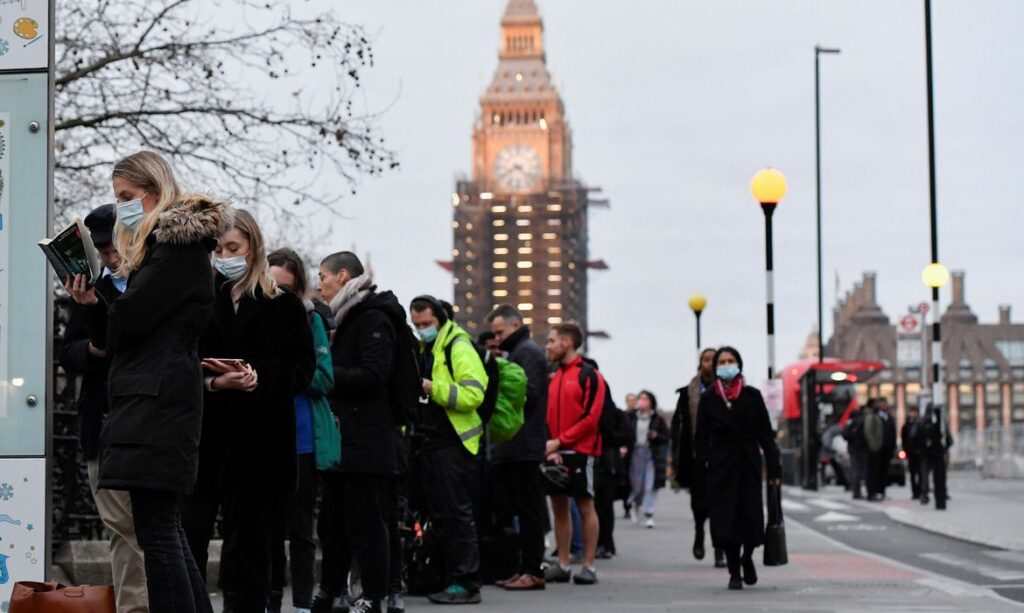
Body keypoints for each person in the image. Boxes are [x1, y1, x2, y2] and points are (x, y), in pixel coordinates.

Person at [93, 151, 230, 612]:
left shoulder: (177, 249)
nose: (123, 207)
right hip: (153, 396)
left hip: (157, 400)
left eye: (128, 197)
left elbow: (130, 319)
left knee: (159, 532)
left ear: (154, 191)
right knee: (163, 528)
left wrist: (107, 289)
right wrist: (96, 300)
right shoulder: (165, 251)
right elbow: (115, 334)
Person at [180, 209, 316, 612]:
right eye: (218, 248)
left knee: (251, 554)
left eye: (233, 247)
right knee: (189, 541)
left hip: (262, 445)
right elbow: (183, 360)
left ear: (253, 247)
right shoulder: (200, 299)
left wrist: (257, 378)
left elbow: (302, 370)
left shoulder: (285, 306)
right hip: (206, 442)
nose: (224, 255)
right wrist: (215, 381)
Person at [61, 203, 148, 613]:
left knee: (154, 528)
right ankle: (135, 608)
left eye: (114, 249)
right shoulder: (90, 288)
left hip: (148, 420)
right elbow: (70, 351)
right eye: (103, 252)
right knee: (121, 528)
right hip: (104, 420)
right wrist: (93, 347)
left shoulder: (153, 285)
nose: (111, 259)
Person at [313, 252, 405, 613]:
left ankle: (373, 595)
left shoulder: (372, 318)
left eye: (323, 275)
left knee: (368, 524)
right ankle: (332, 590)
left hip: (368, 441)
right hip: (343, 439)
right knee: (332, 522)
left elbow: (373, 374)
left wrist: (325, 374)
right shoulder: (342, 317)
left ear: (343, 275)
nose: (319, 283)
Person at [267, 248, 337, 613]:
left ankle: (301, 604)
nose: (279, 296)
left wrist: (285, 373)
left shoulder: (312, 322)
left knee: (299, 528)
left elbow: (324, 377)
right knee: (268, 529)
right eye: (272, 286)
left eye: (287, 289)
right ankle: (271, 600)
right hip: (265, 438)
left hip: (302, 439)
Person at [409, 295, 489, 605]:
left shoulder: (458, 346)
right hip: (432, 443)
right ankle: (448, 578)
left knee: (457, 514)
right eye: (417, 325)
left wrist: (433, 388)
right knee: (441, 515)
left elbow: (474, 393)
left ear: (440, 319)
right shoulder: (428, 347)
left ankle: (466, 583)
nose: (421, 329)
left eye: (426, 324)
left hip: (454, 444)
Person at [695, 347, 781, 591]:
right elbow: (701, 437)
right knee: (726, 520)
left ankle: (747, 557)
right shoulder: (709, 398)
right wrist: (707, 462)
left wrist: (773, 469)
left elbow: (766, 434)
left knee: (750, 516)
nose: (726, 364)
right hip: (721, 467)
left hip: (748, 464)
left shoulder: (752, 396)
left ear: (739, 364)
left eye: (731, 360)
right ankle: (734, 571)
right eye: (722, 361)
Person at [487, 305, 548, 591]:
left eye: (500, 331)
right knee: (521, 509)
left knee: (529, 510)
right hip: (517, 444)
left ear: (515, 325)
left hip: (523, 444)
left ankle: (533, 570)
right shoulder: (520, 351)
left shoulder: (527, 353)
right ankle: (524, 568)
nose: (496, 338)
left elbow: (529, 395)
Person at [543, 323, 606, 586]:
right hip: (555, 450)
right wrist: (551, 445)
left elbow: (592, 418)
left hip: (581, 450)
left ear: (567, 342)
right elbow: (546, 415)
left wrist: (560, 441)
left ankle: (589, 566)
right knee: (559, 507)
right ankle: (564, 563)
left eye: (551, 341)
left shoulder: (589, 375)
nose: (547, 346)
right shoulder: (554, 376)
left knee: (585, 505)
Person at [672, 347, 726, 567]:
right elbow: (678, 427)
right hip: (696, 457)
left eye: (713, 360)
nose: (709, 364)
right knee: (699, 503)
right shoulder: (687, 393)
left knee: (720, 505)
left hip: (721, 457)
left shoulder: (726, 391)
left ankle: (720, 549)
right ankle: (698, 532)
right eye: (705, 360)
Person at [624, 390, 670, 529]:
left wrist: (656, 436)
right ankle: (636, 505)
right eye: (641, 398)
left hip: (651, 454)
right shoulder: (631, 417)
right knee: (637, 485)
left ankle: (649, 513)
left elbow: (666, 437)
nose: (642, 401)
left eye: (646, 399)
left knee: (650, 484)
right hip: (635, 453)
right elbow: (625, 434)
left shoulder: (657, 419)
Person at [919, 404, 953, 509]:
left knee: (927, 475)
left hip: (928, 453)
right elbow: (947, 437)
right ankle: (937, 494)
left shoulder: (923, 422)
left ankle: (925, 494)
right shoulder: (939, 423)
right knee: (938, 475)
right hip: (933, 452)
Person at [864, 399, 897, 501]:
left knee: (884, 472)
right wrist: (874, 445)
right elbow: (868, 432)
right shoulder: (873, 416)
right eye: (881, 404)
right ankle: (873, 492)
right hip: (876, 449)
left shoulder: (889, 417)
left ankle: (881, 492)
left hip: (887, 449)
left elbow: (893, 432)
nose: (884, 406)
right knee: (874, 472)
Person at [841, 406, 869, 499]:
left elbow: (844, 434)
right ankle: (857, 493)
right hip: (861, 449)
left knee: (855, 470)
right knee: (859, 471)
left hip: (853, 449)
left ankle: (856, 492)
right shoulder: (861, 421)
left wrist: (851, 440)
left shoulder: (850, 422)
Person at [901, 407, 922, 500]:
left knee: (921, 473)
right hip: (911, 453)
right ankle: (915, 492)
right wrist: (906, 450)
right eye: (911, 412)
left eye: (914, 412)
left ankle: (921, 491)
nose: (913, 414)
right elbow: (904, 439)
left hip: (920, 452)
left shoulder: (920, 424)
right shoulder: (906, 426)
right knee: (913, 474)